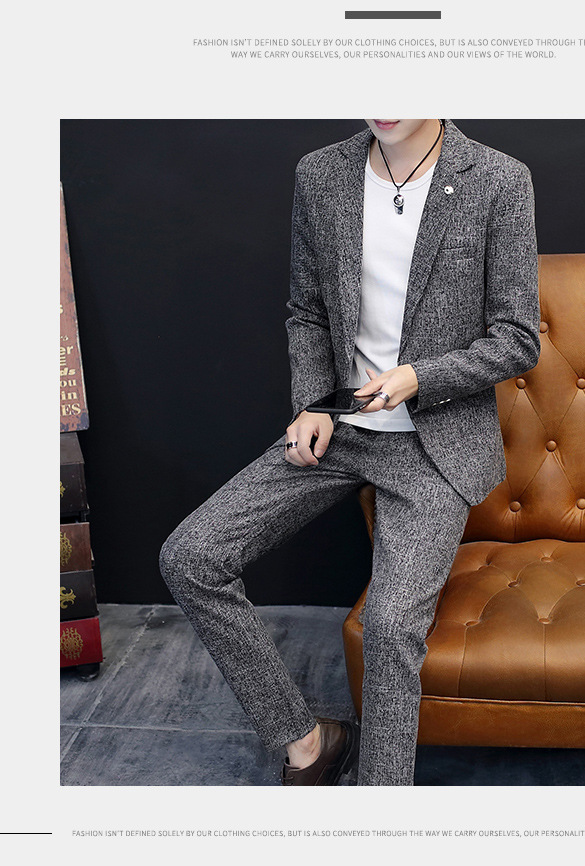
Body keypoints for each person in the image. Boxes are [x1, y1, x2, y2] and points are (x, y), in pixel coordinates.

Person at [158, 119, 540, 786]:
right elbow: (307, 310)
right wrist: (313, 402)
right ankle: (308, 742)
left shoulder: (499, 179)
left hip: (435, 446)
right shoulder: (321, 173)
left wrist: (420, 377)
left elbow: (517, 338)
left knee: (390, 629)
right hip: (341, 428)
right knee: (190, 557)